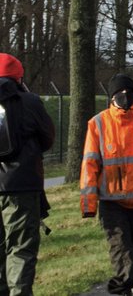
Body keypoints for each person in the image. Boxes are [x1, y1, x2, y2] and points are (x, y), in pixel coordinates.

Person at [81, 74, 133, 296]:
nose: (124, 98)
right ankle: (125, 286)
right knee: (122, 254)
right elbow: (89, 164)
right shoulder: (97, 123)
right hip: (112, 202)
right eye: (119, 94)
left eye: (129, 93)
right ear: (111, 97)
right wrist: (89, 204)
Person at [0, 54, 54, 295]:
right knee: (20, 249)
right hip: (21, 186)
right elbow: (47, 137)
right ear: (18, 78)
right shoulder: (30, 102)